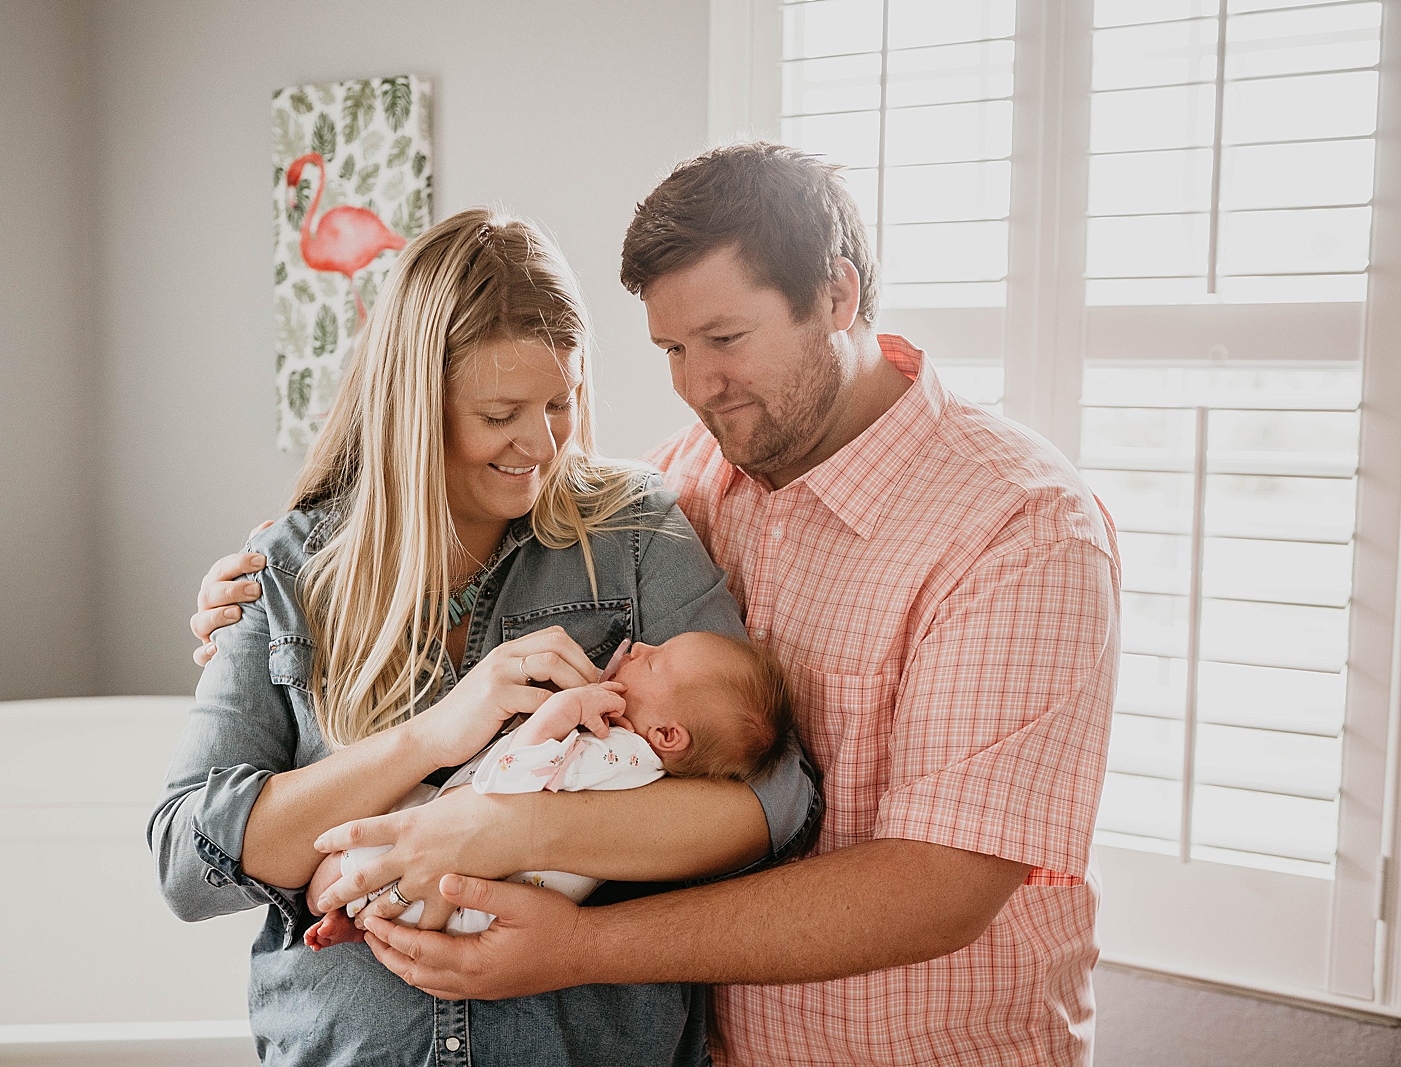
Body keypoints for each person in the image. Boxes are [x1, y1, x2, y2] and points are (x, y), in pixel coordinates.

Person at [195, 142, 1120, 1066]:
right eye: (671, 349)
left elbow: (940, 885)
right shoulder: (696, 479)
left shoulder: (1019, 526)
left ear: (837, 297)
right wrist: (278, 574)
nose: (695, 382)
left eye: (724, 339)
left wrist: (573, 930)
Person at [151, 205, 819, 1067]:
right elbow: (187, 860)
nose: (541, 444)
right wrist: (432, 734)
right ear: (415, 406)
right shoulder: (289, 569)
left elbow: (770, 804)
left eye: (562, 400)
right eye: (502, 410)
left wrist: (507, 828)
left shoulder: (633, 534)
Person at [305, 631, 795, 944]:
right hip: (480, 887)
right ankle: (360, 924)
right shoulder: (642, 770)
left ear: (667, 735)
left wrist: (553, 716)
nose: (641, 647)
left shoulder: (617, 754)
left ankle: (347, 908)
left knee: (327, 877)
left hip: (474, 890)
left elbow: (506, 784)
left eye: (654, 663)